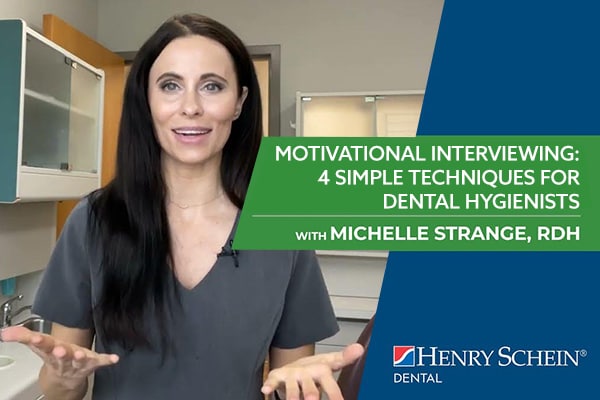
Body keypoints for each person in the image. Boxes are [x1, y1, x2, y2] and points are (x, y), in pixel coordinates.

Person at [0, 13, 363, 400]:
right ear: (147, 99)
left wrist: (306, 387)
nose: (190, 107)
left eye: (212, 86)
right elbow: (60, 390)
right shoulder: (94, 221)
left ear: (239, 102)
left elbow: (291, 384)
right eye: (170, 85)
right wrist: (65, 377)